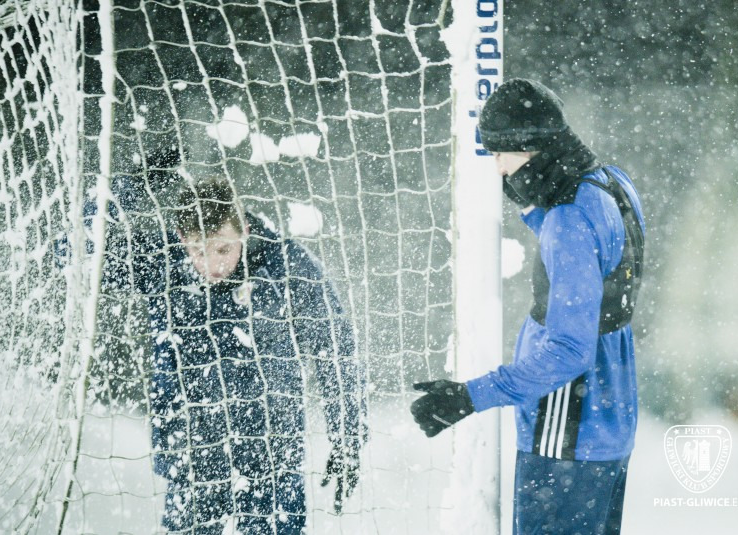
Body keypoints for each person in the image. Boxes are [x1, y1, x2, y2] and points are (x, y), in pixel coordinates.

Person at [410, 79, 645, 534]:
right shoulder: (612, 183)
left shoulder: (569, 217)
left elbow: (568, 352)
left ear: (529, 146)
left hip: (567, 433)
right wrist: (539, 212)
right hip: (610, 424)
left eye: (501, 153)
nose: (498, 168)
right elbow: (603, 266)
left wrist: (469, 396)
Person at [94, 159, 366, 534]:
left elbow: (335, 347)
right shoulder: (163, 264)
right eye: (198, 251)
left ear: (245, 230)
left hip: (272, 455)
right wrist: (130, 186)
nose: (213, 266)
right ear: (182, 238)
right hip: (191, 454)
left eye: (223, 249)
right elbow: (77, 253)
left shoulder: (285, 265)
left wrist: (347, 437)